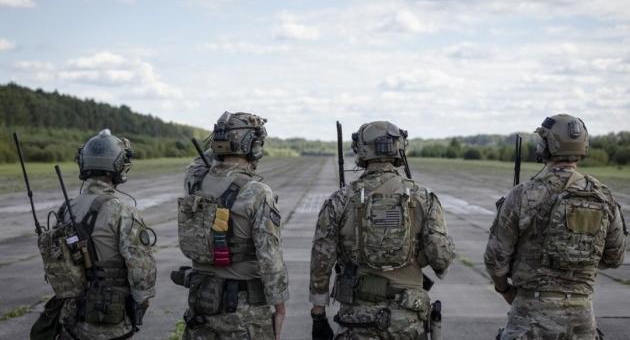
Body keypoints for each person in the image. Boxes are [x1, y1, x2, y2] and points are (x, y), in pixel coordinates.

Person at [484, 114, 627, 340]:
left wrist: (505, 290)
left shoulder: (523, 194)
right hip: (582, 321)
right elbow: (615, 257)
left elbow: (495, 259)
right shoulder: (604, 197)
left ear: (547, 146)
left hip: (529, 317)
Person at [309, 121, 455, 339]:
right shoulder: (423, 198)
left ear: (361, 150)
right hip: (407, 320)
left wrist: (318, 315)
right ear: (399, 148)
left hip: (356, 319)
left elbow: (321, 262)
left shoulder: (340, 200)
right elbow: (441, 259)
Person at [175, 112, 289, 340]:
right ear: (253, 147)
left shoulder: (194, 180)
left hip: (201, 307)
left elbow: (199, 162)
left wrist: (222, 138)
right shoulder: (257, 192)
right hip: (244, 314)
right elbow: (270, 257)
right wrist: (280, 306)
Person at [33, 129, 157, 340]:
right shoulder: (123, 211)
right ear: (117, 167)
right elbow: (141, 272)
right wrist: (142, 301)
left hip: (69, 319)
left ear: (84, 164)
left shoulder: (66, 208)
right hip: (108, 322)